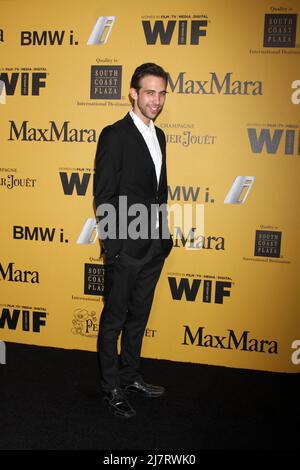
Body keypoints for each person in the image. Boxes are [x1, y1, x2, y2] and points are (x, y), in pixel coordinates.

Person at [93, 63, 173, 419]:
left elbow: (159, 191)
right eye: (150, 92)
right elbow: (104, 196)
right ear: (133, 93)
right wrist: (115, 248)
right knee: (114, 320)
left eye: (161, 93)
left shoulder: (161, 136)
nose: (156, 100)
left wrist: (164, 234)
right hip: (126, 247)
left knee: (139, 316)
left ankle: (130, 376)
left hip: (154, 244)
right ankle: (110, 386)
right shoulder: (115, 135)